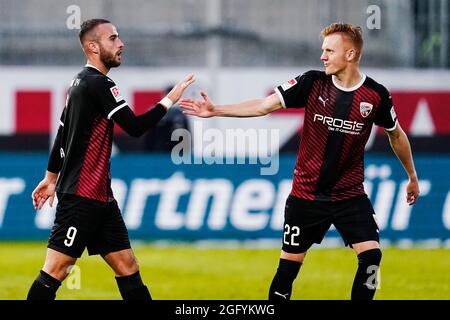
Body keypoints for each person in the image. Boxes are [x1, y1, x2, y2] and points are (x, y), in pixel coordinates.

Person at [179, 23, 420, 300]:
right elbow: (264, 105)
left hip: (350, 196)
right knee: (288, 270)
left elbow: (396, 135)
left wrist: (412, 176)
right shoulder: (311, 83)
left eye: (330, 50)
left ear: (351, 54)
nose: (323, 56)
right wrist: (216, 110)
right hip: (306, 197)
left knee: (372, 258)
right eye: (323, 50)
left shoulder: (376, 95)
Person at [28, 18, 194, 300]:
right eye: (113, 38)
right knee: (57, 269)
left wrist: (50, 178)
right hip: (81, 197)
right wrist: (170, 100)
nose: (121, 44)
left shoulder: (79, 82)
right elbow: (136, 126)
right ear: (93, 46)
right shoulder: (99, 84)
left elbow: (61, 134)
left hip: (101, 199)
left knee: (127, 266)